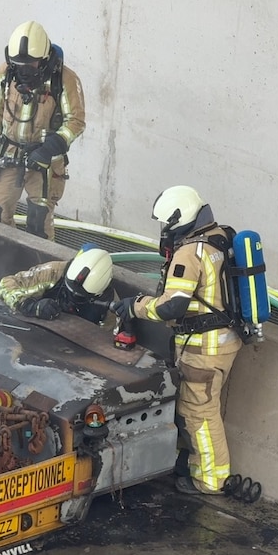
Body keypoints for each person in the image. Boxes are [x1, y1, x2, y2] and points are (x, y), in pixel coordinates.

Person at [109, 186, 242, 495]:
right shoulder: (219, 236)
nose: (163, 230)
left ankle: (211, 480)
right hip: (221, 341)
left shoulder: (189, 252)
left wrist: (135, 306)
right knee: (197, 408)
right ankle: (192, 463)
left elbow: (173, 305)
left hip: (204, 348)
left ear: (177, 219)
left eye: (165, 223)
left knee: (200, 413)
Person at [0, 20, 86, 241]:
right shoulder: (6, 73)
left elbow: (76, 121)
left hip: (45, 164)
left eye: (31, 65)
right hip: (8, 154)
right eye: (19, 64)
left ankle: (38, 272)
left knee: (38, 223)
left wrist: (47, 151)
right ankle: (2, 262)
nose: (24, 71)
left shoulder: (65, 80)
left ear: (44, 60)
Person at [0, 246, 113, 324]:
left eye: (80, 295)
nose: (74, 295)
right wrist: (28, 306)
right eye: (71, 290)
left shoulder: (109, 303)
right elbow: (5, 284)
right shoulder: (52, 272)